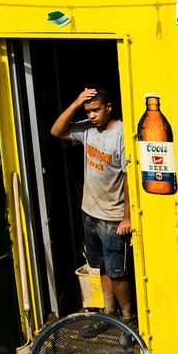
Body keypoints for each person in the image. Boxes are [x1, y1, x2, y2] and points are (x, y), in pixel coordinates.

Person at [50, 87, 134, 331]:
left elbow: (129, 177)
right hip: (90, 212)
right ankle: (108, 315)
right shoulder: (87, 128)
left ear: (109, 107)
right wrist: (77, 103)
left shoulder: (121, 134)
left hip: (113, 216)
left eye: (96, 110)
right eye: (88, 111)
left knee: (118, 271)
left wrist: (127, 216)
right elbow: (57, 131)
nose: (92, 115)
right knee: (102, 268)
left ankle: (128, 320)